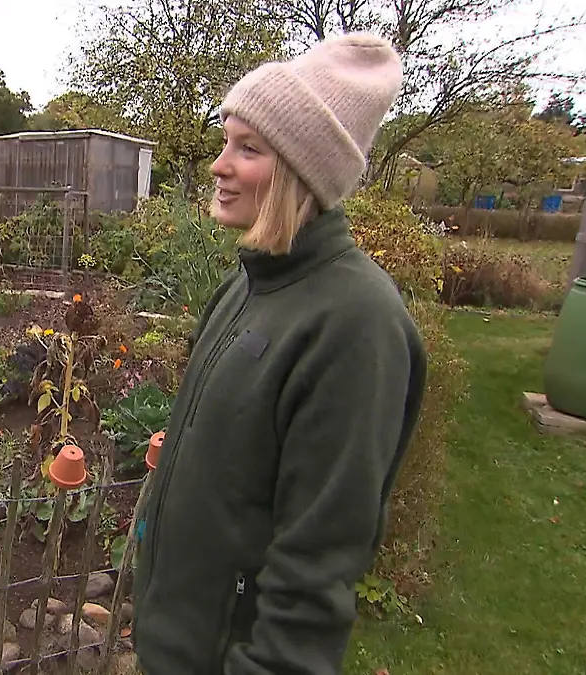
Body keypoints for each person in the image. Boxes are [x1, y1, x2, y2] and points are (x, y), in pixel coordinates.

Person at [130, 33, 429, 674]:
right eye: (225, 141)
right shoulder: (247, 285)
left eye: (248, 149)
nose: (219, 165)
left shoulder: (356, 326)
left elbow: (317, 566)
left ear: (299, 169)